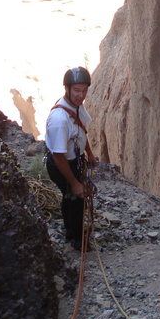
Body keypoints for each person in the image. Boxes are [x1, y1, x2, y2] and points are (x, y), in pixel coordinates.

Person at [45, 66, 99, 250]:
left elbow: (81, 131)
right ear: (67, 88)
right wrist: (75, 183)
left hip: (73, 160)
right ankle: (77, 240)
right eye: (77, 90)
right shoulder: (59, 119)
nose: (81, 95)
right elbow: (58, 156)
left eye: (84, 90)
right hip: (62, 164)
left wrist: (89, 153)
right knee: (76, 197)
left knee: (71, 197)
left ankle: (70, 230)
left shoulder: (76, 107)